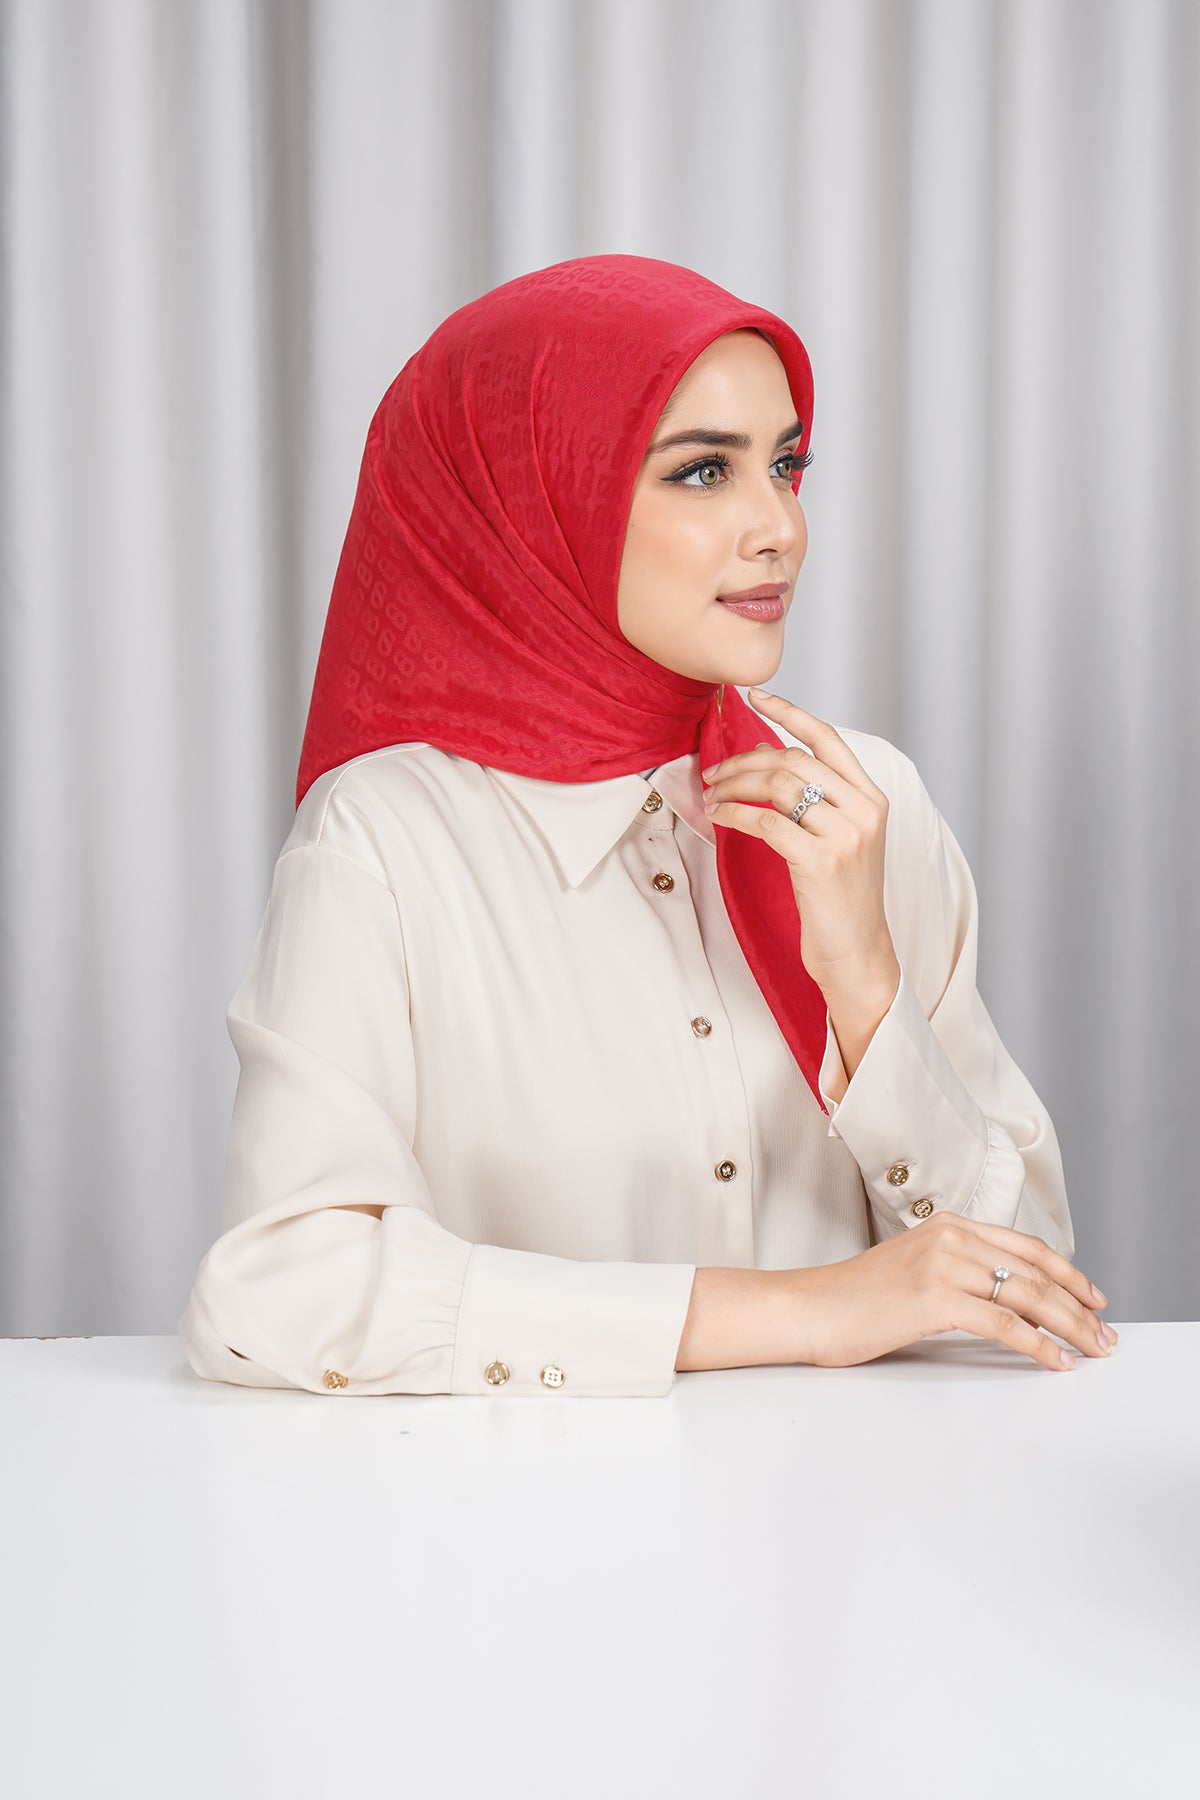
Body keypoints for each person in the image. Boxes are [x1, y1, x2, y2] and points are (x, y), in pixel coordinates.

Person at [178, 253, 1116, 1399]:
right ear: (535, 497)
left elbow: (1031, 1292)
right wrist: (808, 1309)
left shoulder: (858, 805)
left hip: (856, 1504)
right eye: (703, 471)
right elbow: (280, 1292)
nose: (779, 527)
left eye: (786, 464)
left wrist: (866, 985)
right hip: (522, 1510)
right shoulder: (387, 841)